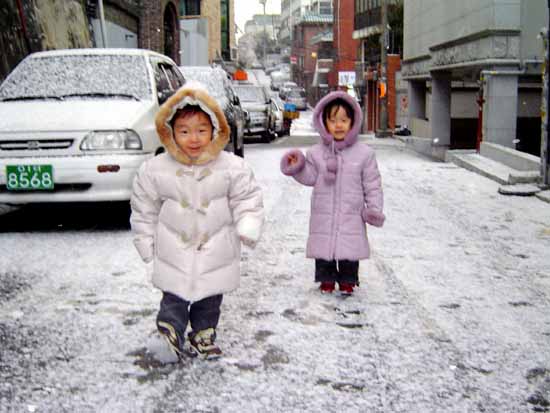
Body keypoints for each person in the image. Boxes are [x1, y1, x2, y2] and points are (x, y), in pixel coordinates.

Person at [130, 83, 264, 360]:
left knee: (210, 295)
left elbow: (247, 199)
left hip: (215, 247)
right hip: (173, 249)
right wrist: (145, 241)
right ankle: (170, 331)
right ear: (169, 133)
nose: (193, 138)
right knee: (174, 294)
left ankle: (204, 333)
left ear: (216, 130)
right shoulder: (156, 169)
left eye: (202, 130)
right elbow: (144, 208)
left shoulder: (232, 167)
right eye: (184, 131)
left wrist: (248, 225)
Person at [280, 91, 384, 296]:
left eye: (344, 120)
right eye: (333, 120)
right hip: (324, 212)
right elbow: (309, 177)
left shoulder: (364, 154)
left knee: (349, 246)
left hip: (351, 212)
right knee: (324, 246)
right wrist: (298, 166)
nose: (338, 125)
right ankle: (326, 279)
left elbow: (372, 184)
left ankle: (348, 280)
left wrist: (374, 208)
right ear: (323, 122)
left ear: (353, 122)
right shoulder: (316, 153)